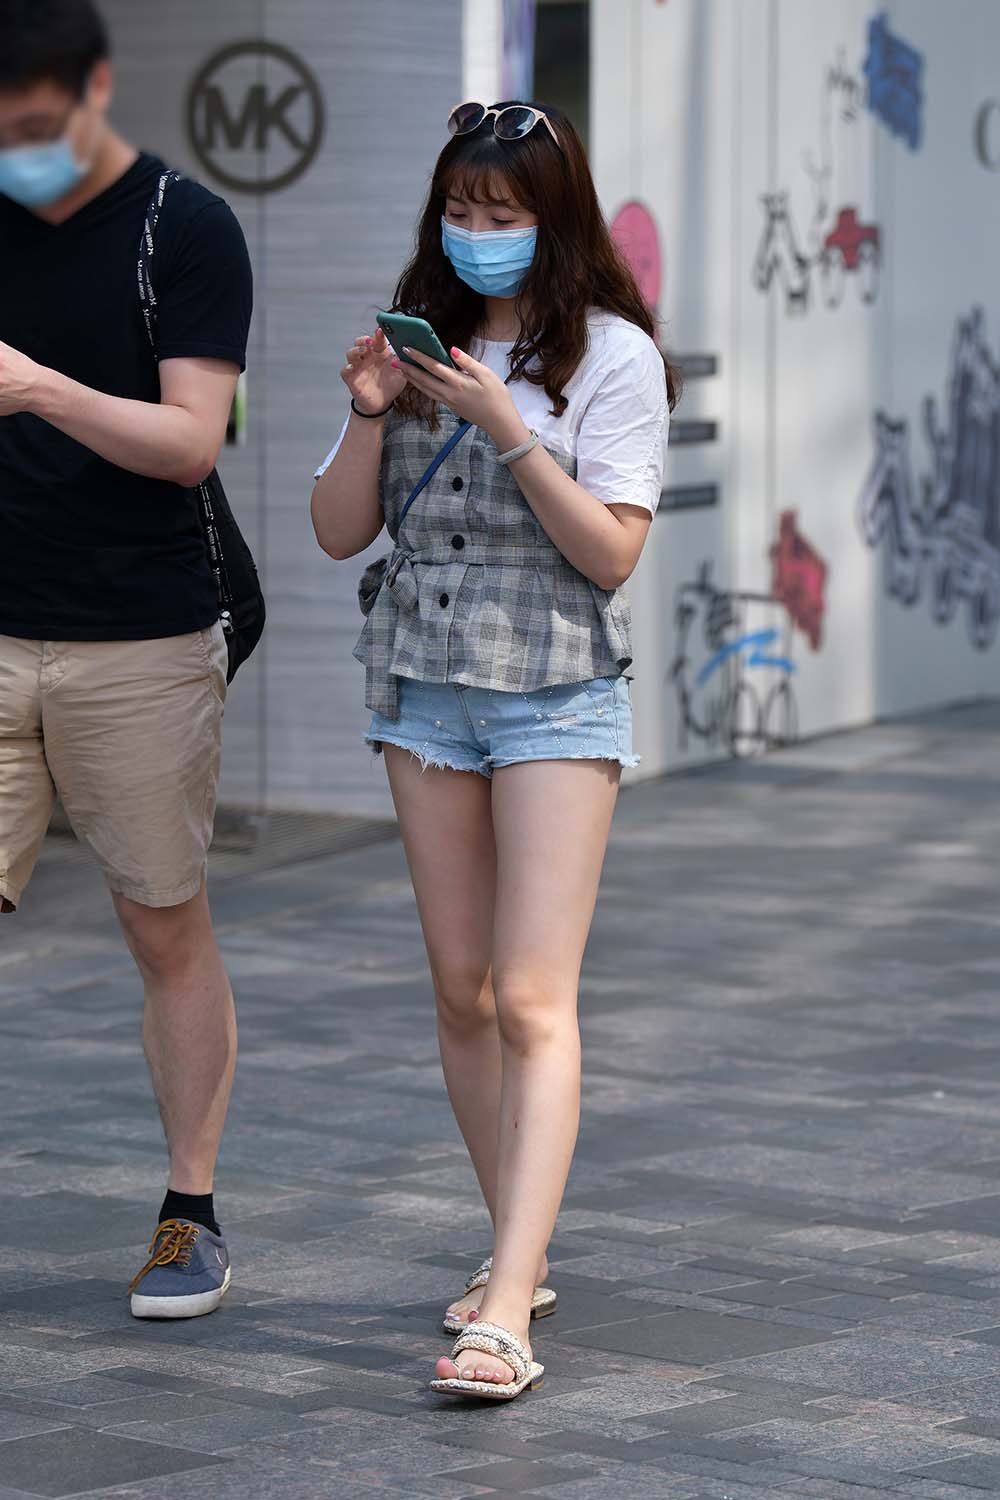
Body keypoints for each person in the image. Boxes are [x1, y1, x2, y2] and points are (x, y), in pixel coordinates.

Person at [312, 99, 676, 1400]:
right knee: (460, 992)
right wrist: (372, 410)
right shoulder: (421, 338)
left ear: (553, 222)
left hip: (554, 692)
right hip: (424, 686)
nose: (477, 233)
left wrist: (508, 425)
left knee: (531, 997)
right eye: (460, 211)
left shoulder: (616, 358)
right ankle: (515, 1246)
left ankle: (508, 1308)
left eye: (502, 213)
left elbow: (612, 553)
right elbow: (337, 532)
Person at [0, 0, 252, 1317]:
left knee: (162, 924)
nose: (16, 147)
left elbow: (191, 441)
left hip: (141, 636)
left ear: (95, 89)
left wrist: (35, 387)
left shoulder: (182, 227)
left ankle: (189, 1213)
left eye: (36, 124)